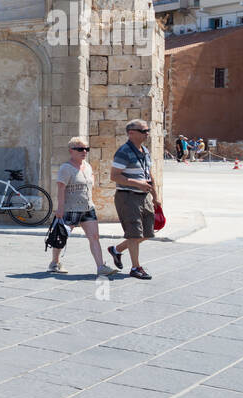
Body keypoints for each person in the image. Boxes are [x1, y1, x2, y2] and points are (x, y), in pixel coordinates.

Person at [48, 137, 112, 276]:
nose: (84, 151)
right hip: (71, 209)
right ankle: (54, 263)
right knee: (61, 236)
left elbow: (91, 180)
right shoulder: (66, 168)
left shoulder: (87, 166)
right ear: (71, 151)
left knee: (94, 236)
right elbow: (61, 189)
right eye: (80, 149)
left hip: (88, 208)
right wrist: (60, 208)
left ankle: (101, 267)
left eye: (86, 149)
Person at [107, 119, 161, 280]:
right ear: (131, 133)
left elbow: (149, 174)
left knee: (148, 232)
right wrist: (137, 183)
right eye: (144, 131)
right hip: (128, 197)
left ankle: (116, 250)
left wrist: (155, 196)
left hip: (144, 196)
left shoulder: (145, 151)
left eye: (147, 130)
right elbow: (114, 176)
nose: (147, 133)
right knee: (134, 234)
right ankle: (136, 268)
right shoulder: (123, 152)